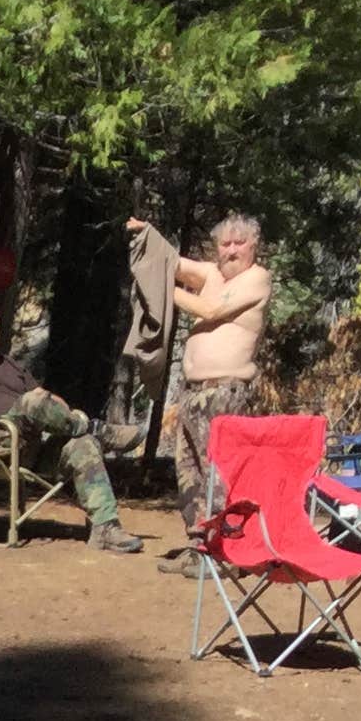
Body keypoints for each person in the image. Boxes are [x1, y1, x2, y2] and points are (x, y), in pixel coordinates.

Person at [0, 305, 143, 554]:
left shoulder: (8, 364)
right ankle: (97, 429)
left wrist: (67, 414)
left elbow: (46, 398)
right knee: (31, 402)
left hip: (32, 447)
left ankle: (105, 527)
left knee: (82, 443)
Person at [132, 212, 271, 543]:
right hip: (192, 393)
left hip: (224, 393)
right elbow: (171, 263)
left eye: (240, 243)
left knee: (218, 473)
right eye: (225, 244)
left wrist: (159, 289)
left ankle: (225, 549)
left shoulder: (256, 278)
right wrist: (145, 235)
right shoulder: (211, 274)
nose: (232, 250)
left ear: (254, 245)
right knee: (188, 473)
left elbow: (210, 311)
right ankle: (198, 546)